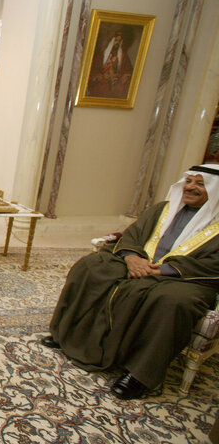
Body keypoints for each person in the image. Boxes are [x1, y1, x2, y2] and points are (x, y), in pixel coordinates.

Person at [41, 165, 219, 399]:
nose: (190, 187)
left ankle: (139, 374)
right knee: (90, 268)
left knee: (172, 302)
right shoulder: (163, 209)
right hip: (139, 262)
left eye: (199, 183)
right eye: (188, 181)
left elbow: (213, 264)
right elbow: (133, 234)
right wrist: (133, 258)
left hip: (185, 278)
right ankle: (66, 334)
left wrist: (162, 271)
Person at [86, 29, 134, 99]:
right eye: (116, 40)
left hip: (117, 80)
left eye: (119, 41)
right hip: (104, 79)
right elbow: (93, 70)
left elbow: (128, 70)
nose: (117, 43)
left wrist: (122, 76)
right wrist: (103, 76)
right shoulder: (102, 55)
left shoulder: (124, 56)